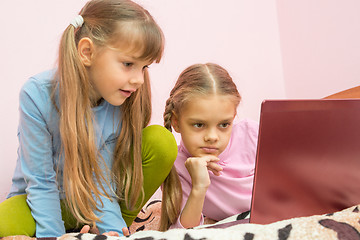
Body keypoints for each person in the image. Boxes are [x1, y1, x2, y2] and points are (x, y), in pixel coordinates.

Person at [0, 0, 178, 237]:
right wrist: (54, 235)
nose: (139, 80)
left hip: (87, 201)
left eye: (144, 67)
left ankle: (108, 227)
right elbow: (41, 182)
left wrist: (112, 230)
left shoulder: (118, 100)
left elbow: (101, 183)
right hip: (38, 201)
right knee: (5, 222)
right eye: (128, 64)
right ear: (87, 52)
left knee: (161, 141)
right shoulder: (36, 95)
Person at [161, 63, 259, 230]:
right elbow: (181, 232)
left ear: (233, 117)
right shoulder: (176, 166)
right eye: (199, 125)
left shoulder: (251, 134)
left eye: (224, 124)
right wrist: (199, 187)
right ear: (176, 122)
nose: (212, 137)